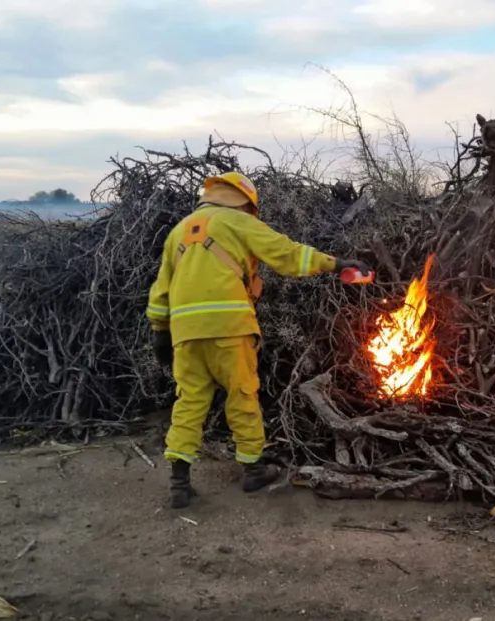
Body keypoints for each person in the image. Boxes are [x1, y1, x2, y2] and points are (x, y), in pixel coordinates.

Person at [145, 171, 370, 509]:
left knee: (189, 401)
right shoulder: (236, 222)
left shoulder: (180, 231)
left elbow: (160, 290)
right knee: (242, 395)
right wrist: (335, 263)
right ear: (244, 201)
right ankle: (252, 469)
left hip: (185, 334)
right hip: (229, 327)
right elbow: (288, 254)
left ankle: (179, 481)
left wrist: (160, 333)